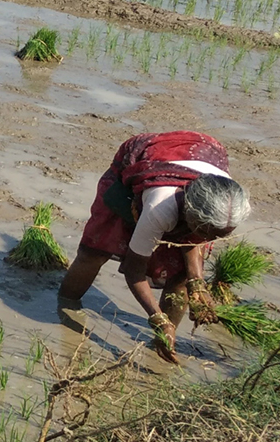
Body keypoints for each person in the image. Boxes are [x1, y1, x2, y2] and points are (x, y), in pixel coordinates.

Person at [58, 130, 251, 362]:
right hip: (145, 161)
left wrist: (196, 283)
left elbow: (195, 239)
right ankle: (64, 304)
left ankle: (162, 346)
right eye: (207, 231)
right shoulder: (160, 208)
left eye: (219, 234)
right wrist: (157, 319)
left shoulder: (228, 207)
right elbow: (133, 270)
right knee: (95, 251)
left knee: (179, 276)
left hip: (204, 155)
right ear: (189, 212)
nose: (212, 237)